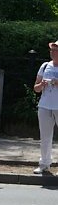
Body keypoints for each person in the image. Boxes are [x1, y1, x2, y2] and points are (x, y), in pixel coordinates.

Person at [32, 39, 58, 174]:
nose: (52, 52)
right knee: (45, 137)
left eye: (55, 50)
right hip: (45, 105)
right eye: (52, 50)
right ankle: (44, 164)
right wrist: (41, 85)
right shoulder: (45, 66)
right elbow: (35, 88)